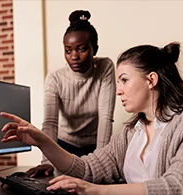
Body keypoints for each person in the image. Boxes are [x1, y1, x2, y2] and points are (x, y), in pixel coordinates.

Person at [1, 42, 183, 195]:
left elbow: (178, 189)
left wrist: (98, 191)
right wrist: (43, 141)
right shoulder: (131, 133)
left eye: (124, 80)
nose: (118, 90)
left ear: (151, 80)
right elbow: (87, 169)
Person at [26, 10, 117, 178]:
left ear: (94, 49)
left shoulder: (105, 67)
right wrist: (46, 161)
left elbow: (106, 117)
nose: (74, 56)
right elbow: (50, 123)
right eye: (68, 51)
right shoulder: (55, 78)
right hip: (64, 146)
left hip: (95, 146)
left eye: (81, 49)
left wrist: (101, 160)